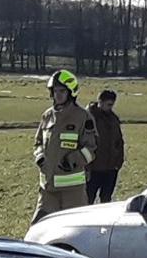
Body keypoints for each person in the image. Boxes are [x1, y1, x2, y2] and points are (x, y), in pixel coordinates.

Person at [32, 70, 98, 223]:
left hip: (72, 192)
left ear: (71, 93)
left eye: (62, 91)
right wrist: (40, 157)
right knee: (39, 227)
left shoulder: (83, 117)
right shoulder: (47, 116)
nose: (58, 95)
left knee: (74, 230)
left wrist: (72, 160)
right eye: (55, 91)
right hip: (48, 190)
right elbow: (38, 142)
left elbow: (91, 148)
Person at [86, 89, 126, 204]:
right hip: (94, 168)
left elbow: (119, 141)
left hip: (111, 168)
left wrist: (119, 161)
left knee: (106, 200)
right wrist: (87, 166)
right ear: (100, 102)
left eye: (112, 104)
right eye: (108, 104)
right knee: (88, 199)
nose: (110, 107)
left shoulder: (114, 119)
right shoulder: (88, 118)